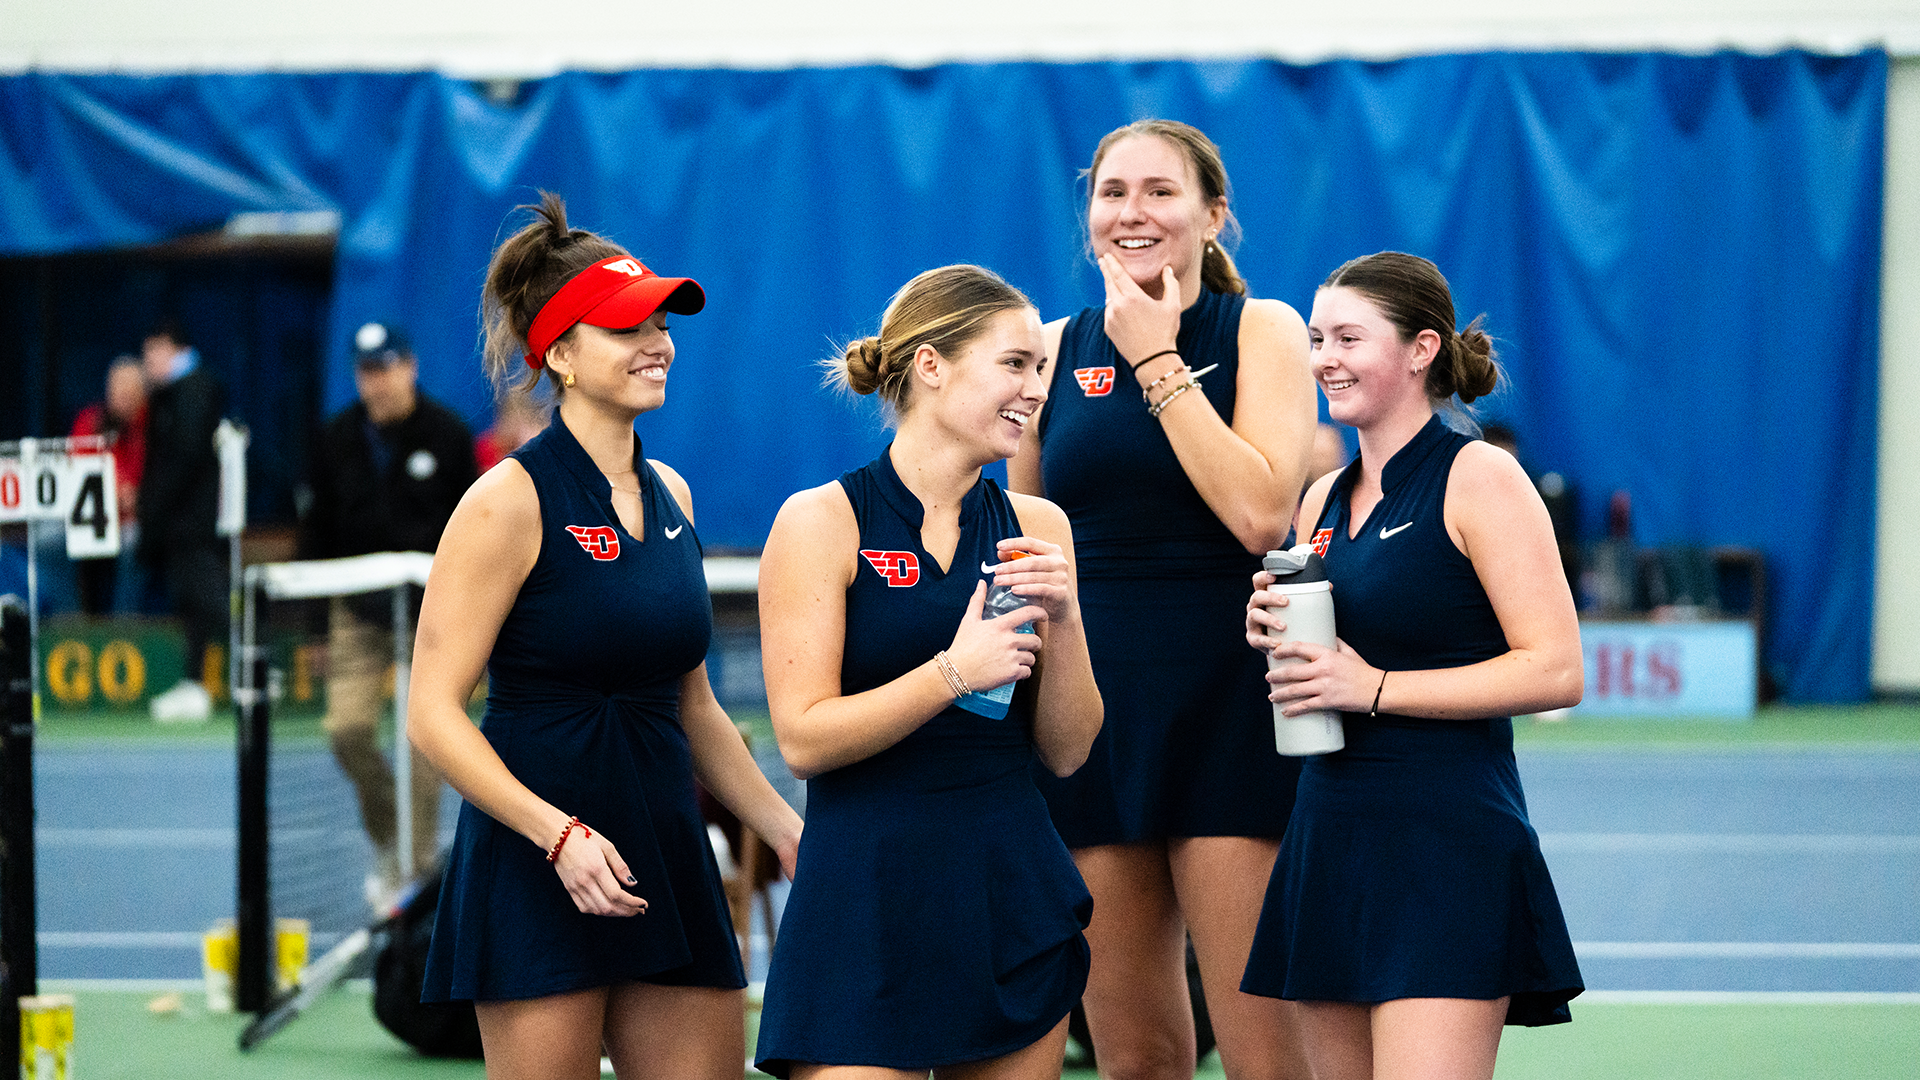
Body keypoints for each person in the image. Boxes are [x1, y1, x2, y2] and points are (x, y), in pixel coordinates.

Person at [406, 194, 802, 1080]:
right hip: (540, 864)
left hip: (664, 852)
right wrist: (557, 837)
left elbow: (692, 702)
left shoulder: (674, 493)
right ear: (562, 356)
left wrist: (785, 829)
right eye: (626, 326)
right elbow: (431, 714)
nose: (657, 340)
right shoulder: (505, 501)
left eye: (661, 321)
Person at [1006, 119, 1316, 1080]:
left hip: (1230, 708)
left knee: (1265, 1044)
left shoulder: (1261, 329)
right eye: (1111, 192)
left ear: (1213, 216)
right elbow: (1023, 536)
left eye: (1159, 191)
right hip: (1092, 718)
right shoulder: (1051, 349)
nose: (1130, 212)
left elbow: (1264, 514)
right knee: (1133, 1050)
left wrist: (1155, 357)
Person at [754, 265, 1103, 1080]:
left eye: (1042, 370)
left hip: (1007, 888)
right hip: (865, 896)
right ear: (931, 366)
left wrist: (1069, 620)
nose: (1036, 390)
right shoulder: (820, 520)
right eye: (1015, 364)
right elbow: (803, 738)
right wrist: (952, 672)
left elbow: (1068, 750)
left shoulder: (1039, 523)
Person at [1241, 252, 1584, 1080]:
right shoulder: (1320, 498)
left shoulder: (1482, 478)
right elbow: (1331, 655)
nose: (1324, 357)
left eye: (1349, 338)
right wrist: (1270, 625)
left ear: (1422, 349)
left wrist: (1377, 688)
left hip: (1447, 846)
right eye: (1318, 337)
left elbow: (1557, 670)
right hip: (1331, 835)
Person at [299, 321, 479, 907]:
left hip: (431, 611)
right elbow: (314, 534)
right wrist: (313, 630)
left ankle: (414, 873)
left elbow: (477, 533)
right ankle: (391, 841)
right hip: (355, 610)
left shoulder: (449, 435)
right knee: (345, 731)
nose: (376, 381)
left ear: (410, 366)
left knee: (424, 741)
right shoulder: (335, 439)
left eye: (385, 367)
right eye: (365, 370)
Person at [138, 319, 228, 722]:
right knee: (193, 604)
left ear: (169, 346)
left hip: (192, 519)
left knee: (209, 596)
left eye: (150, 352)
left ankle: (261, 667)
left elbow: (186, 457)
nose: (146, 362)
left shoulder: (194, 388)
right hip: (180, 519)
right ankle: (194, 684)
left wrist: (154, 508)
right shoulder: (173, 393)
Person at [70, 355, 149, 615]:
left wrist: (139, 496)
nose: (122, 398)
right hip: (90, 519)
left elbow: (154, 484)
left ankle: (124, 623)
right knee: (48, 541)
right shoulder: (89, 421)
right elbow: (74, 472)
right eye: (117, 391)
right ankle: (70, 622)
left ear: (142, 396)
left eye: (129, 393)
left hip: (132, 522)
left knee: (134, 542)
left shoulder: (154, 427)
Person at [474, 387, 551, 473]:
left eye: (521, 421)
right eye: (510, 418)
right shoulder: (487, 447)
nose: (514, 425)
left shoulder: (536, 444)